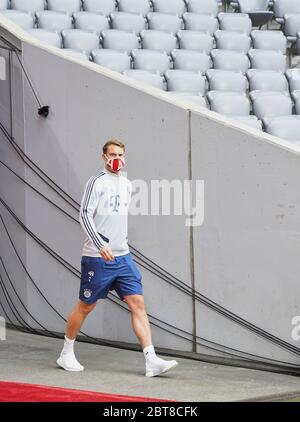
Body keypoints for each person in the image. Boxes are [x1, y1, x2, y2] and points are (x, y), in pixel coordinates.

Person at [57, 139, 178, 377]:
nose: (117, 159)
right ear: (103, 157)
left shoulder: (126, 183)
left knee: (138, 304)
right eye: (112, 154)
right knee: (86, 306)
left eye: (120, 154)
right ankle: (66, 353)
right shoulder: (96, 182)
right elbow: (84, 214)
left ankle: (151, 360)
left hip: (123, 257)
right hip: (97, 257)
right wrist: (100, 244)